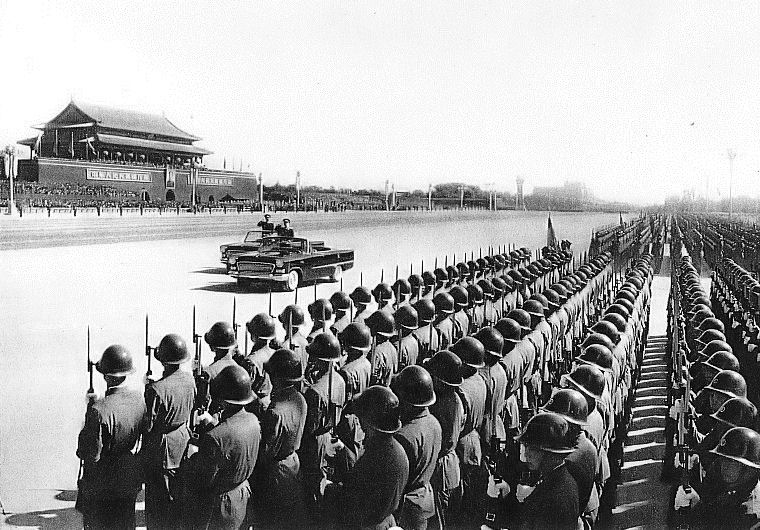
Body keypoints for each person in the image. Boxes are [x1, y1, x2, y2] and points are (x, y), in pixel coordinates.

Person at [179, 365, 261, 530]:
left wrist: (193, 455)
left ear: (223, 400)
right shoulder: (253, 421)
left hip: (221, 506)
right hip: (242, 495)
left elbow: (202, 480)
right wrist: (215, 424)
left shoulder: (215, 437)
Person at [76, 345, 146, 529]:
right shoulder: (139, 399)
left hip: (103, 482)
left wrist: (89, 408)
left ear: (106, 376)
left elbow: (89, 453)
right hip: (129, 475)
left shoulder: (98, 410)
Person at [325, 385, 410, 529]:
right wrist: (344, 451)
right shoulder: (396, 450)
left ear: (369, 422)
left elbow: (352, 502)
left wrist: (328, 487)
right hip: (385, 521)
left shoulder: (376, 459)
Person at [142, 334, 195, 530]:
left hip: (162, 448)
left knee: (159, 505)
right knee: (179, 497)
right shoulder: (189, 380)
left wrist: (148, 389)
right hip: (182, 440)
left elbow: (147, 425)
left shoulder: (156, 390)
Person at [253, 348, 308, 527]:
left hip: (274, 473)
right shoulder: (300, 399)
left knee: (270, 518)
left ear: (276, 378)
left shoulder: (275, 412)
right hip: (292, 463)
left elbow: (265, 453)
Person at [391, 366, 443, 530]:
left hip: (406, 509)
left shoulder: (404, 436)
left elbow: (396, 482)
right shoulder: (434, 423)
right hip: (425, 498)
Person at [300, 332, 346, 511]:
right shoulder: (340, 380)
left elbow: (309, 427)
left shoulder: (315, 391)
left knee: (313, 481)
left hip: (315, 442)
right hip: (330, 435)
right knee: (322, 475)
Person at [511, 412, 580, 530]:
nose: (526, 454)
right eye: (526, 446)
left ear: (550, 453)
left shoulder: (555, 496)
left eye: (533, 448)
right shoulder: (558, 478)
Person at [426, 350, 466, 529]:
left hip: (441, 470)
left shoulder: (444, 404)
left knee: (439, 521)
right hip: (450, 467)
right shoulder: (454, 399)